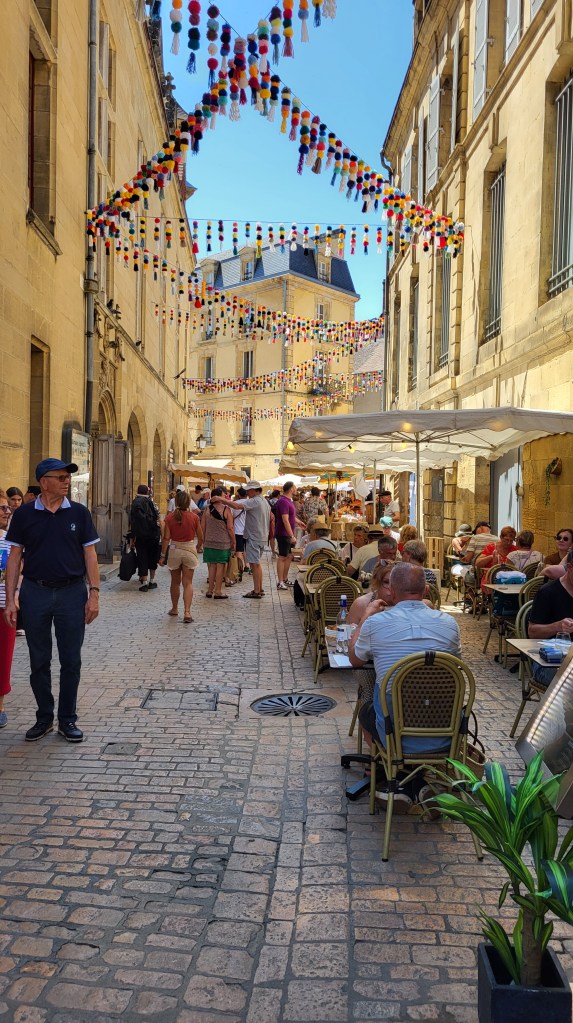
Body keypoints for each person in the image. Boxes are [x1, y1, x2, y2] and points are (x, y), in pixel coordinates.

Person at [349, 562, 461, 811]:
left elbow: (355, 660)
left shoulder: (376, 624)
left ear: (393, 590)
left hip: (394, 736)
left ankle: (396, 777)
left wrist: (365, 616)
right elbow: (455, 667)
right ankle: (415, 781)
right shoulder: (449, 624)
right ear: (426, 589)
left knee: (367, 708)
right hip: (446, 733)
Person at [3, 458, 100, 743]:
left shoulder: (80, 514)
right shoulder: (23, 516)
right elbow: (14, 558)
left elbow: (90, 556)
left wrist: (94, 593)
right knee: (38, 660)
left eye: (68, 477)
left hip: (72, 593)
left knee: (71, 660)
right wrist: (11, 599)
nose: (67, 481)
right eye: (61, 477)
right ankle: (44, 717)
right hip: (35, 592)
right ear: (44, 482)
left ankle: (67, 720)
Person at [528, 548, 573, 685]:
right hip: (550, 663)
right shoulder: (548, 592)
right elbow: (532, 632)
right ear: (569, 568)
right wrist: (557, 626)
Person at [219, 482, 271, 599]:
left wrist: (221, 500)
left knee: (254, 564)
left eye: (249, 490)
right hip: (262, 536)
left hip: (254, 536)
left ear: (254, 490)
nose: (247, 492)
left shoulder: (255, 501)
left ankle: (257, 590)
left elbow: (237, 506)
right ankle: (259, 588)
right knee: (256, 564)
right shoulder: (264, 501)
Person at [159, 490, 204, 622]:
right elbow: (201, 537)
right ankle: (187, 612)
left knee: (175, 582)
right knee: (188, 583)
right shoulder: (194, 517)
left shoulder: (169, 518)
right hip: (189, 548)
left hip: (174, 550)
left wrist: (162, 555)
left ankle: (174, 608)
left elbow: (166, 538)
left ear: (176, 502)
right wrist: (197, 547)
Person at [0, 491, 16, 728]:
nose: (7, 511)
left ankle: (0, 706)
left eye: (7, 508)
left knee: (3, 659)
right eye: (2, 508)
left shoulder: (10, 539)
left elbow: (20, 570)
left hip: (4, 606)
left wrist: (15, 598)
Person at [201, 486, 235, 599]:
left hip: (209, 542)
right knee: (221, 566)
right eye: (223, 495)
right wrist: (233, 541)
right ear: (218, 496)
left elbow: (202, 527)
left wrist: (203, 541)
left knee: (211, 566)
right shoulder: (226, 509)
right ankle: (218, 591)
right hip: (223, 542)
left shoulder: (207, 509)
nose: (225, 496)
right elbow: (230, 528)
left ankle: (210, 590)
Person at [129, 484, 161, 592]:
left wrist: (132, 537)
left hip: (141, 535)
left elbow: (133, 522)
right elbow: (158, 518)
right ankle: (152, 581)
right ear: (147, 492)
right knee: (152, 557)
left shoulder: (135, 503)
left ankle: (145, 582)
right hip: (153, 535)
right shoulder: (152, 502)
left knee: (142, 557)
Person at [274, 481, 304, 590]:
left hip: (288, 532)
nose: (296, 489)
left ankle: (285, 579)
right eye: (295, 487)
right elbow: (285, 520)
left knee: (289, 556)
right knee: (282, 557)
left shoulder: (288, 501)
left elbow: (290, 516)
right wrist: (291, 536)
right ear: (291, 488)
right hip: (283, 533)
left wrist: (298, 521)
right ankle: (280, 581)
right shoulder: (283, 501)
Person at [347, 561, 395, 626]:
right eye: (386, 582)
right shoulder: (361, 604)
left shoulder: (407, 604)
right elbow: (349, 634)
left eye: (396, 583)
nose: (391, 588)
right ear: (376, 582)